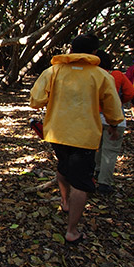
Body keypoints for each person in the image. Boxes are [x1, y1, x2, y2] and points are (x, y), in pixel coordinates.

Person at [30, 34, 124, 245]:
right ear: (94, 53)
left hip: (56, 132)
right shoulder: (101, 75)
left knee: (63, 168)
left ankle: (65, 202)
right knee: (81, 182)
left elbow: (35, 100)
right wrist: (114, 125)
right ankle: (72, 231)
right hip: (84, 136)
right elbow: (113, 107)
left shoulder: (53, 71)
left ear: (71, 49)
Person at [94, 50, 134, 194]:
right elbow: (130, 93)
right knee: (110, 151)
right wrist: (119, 102)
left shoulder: (90, 75)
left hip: (93, 117)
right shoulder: (117, 75)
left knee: (95, 147)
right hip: (114, 117)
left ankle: (96, 172)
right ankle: (104, 183)